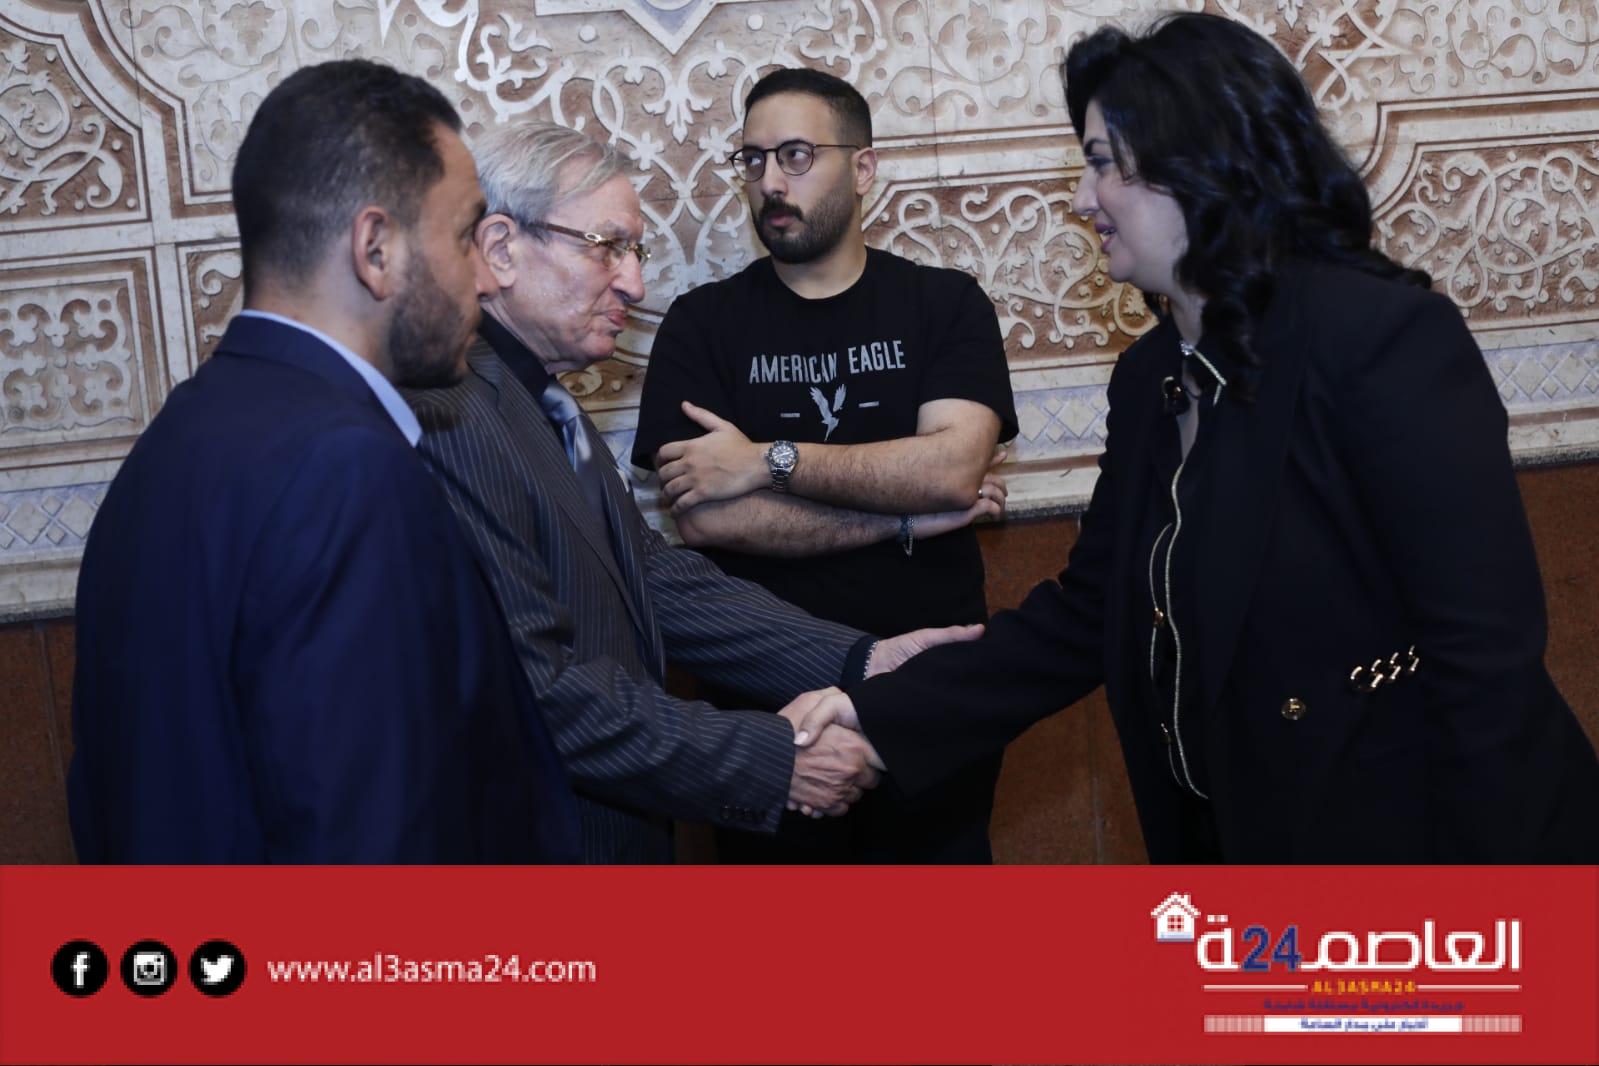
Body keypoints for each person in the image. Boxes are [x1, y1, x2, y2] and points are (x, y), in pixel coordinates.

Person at [786, 13, 1599, 863]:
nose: (1080, 200)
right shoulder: (1149, 377)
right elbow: (1091, 612)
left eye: (1102, 162)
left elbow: (1482, 660)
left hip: (1417, 850)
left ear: (1201, 164)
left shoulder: (1382, 337)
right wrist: (882, 713)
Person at [403, 122, 981, 863]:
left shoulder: (538, 398)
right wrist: (776, 763)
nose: (634, 285)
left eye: (634, 253)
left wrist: (860, 662)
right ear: (501, 248)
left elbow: (649, 578)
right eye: (606, 247)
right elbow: (535, 689)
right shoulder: (451, 411)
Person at [68, 60, 580, 863]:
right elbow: (376, 846)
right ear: (375, 249)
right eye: (463, 236)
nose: (483, 279)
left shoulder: (179, 434)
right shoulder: (345, 473)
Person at [631, 68, 1019, 864]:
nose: (770, 181)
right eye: (752, 159)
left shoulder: (944, 304)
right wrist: (904, 518)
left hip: (928, 685)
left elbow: (951, 470)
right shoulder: (700, 325)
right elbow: (706, 520)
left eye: (797, 155)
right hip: (764, 702)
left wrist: (766, 460)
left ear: (863, 168)